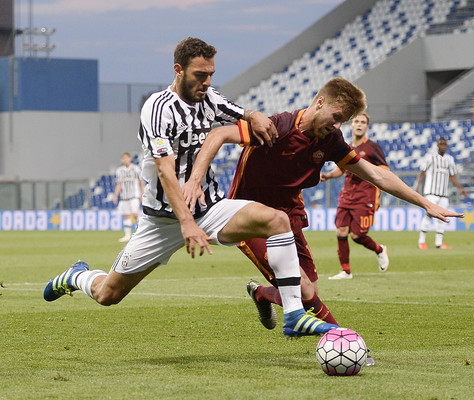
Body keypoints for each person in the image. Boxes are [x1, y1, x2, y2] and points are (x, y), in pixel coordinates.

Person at [42, 37, 338, 339]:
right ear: (178, 70)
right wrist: (186, 223)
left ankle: (294, 315)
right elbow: (165, 170)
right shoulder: (158, 108)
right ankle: (78, 275)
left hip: (211, 210)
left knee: (277, 220)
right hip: (163, 221)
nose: (207, 82)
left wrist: (255, 115)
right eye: (200, 75)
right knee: (109, 294)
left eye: (211, 74)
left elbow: (239, 111)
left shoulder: (209, 99)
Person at [181, 77, 464, 335]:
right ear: (319, 103)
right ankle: (343, 339)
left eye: (343, 121)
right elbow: (217, 135)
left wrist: (425, 203)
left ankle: (262, 294)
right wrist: (194, 181)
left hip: (288, 216)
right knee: (305, 291)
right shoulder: (277, 127)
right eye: (337, 117)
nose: (337, 126)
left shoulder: (331, 141)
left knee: (308, 290)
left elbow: (377, 174)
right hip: (249, 217)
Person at [319, 112, 390, 280]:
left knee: (357, 236)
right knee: (341, 231)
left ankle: (379, 249)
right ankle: (346, 271)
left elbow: (384, 171)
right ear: (351, 125)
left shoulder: (373, 148)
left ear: (367, 126)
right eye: (356, 121)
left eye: (363, 122)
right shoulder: (346, 147)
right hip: (347, 195)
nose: (359, 124)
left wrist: (376, 190)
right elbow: (342, 169)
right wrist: (328, 175)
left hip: (365, 196)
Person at [416, 137, 468, 250]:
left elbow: (452, 176)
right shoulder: (430, 158)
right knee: (429, 214)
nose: (443, 146)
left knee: (443, 217)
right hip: (431, 193)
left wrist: (461, 189)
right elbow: (422, 172)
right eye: (441, 144)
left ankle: (439, 243)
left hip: (444, 194)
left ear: (447, 146)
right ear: (437, 145)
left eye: (445, 144)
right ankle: (421, 241)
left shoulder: (450, 159)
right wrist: (418, 186)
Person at [113, 152, 144, 242]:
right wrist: (116, 196)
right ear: (122, 160)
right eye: (124, 158)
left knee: (135, 214)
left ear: (130, 159)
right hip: (124, 197)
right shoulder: (120, 170)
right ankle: (127, 236)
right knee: (126, 215)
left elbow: (141, 182)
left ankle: (139, 234)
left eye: (127, 158)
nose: (125, 160)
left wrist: (142, 194)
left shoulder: (136, 169)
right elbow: (119, 184)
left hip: (134, 196)